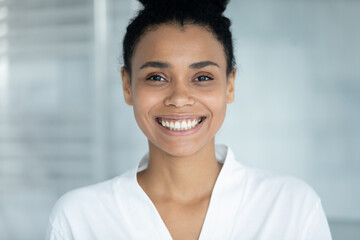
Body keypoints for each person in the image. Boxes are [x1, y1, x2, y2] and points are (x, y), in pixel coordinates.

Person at [46, 0, 332, 239]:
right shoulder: (79, 218)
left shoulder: (292, 208)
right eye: (156, 77)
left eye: (203, 77)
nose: (179, 98)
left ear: (230, 85)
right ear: (127, 85)